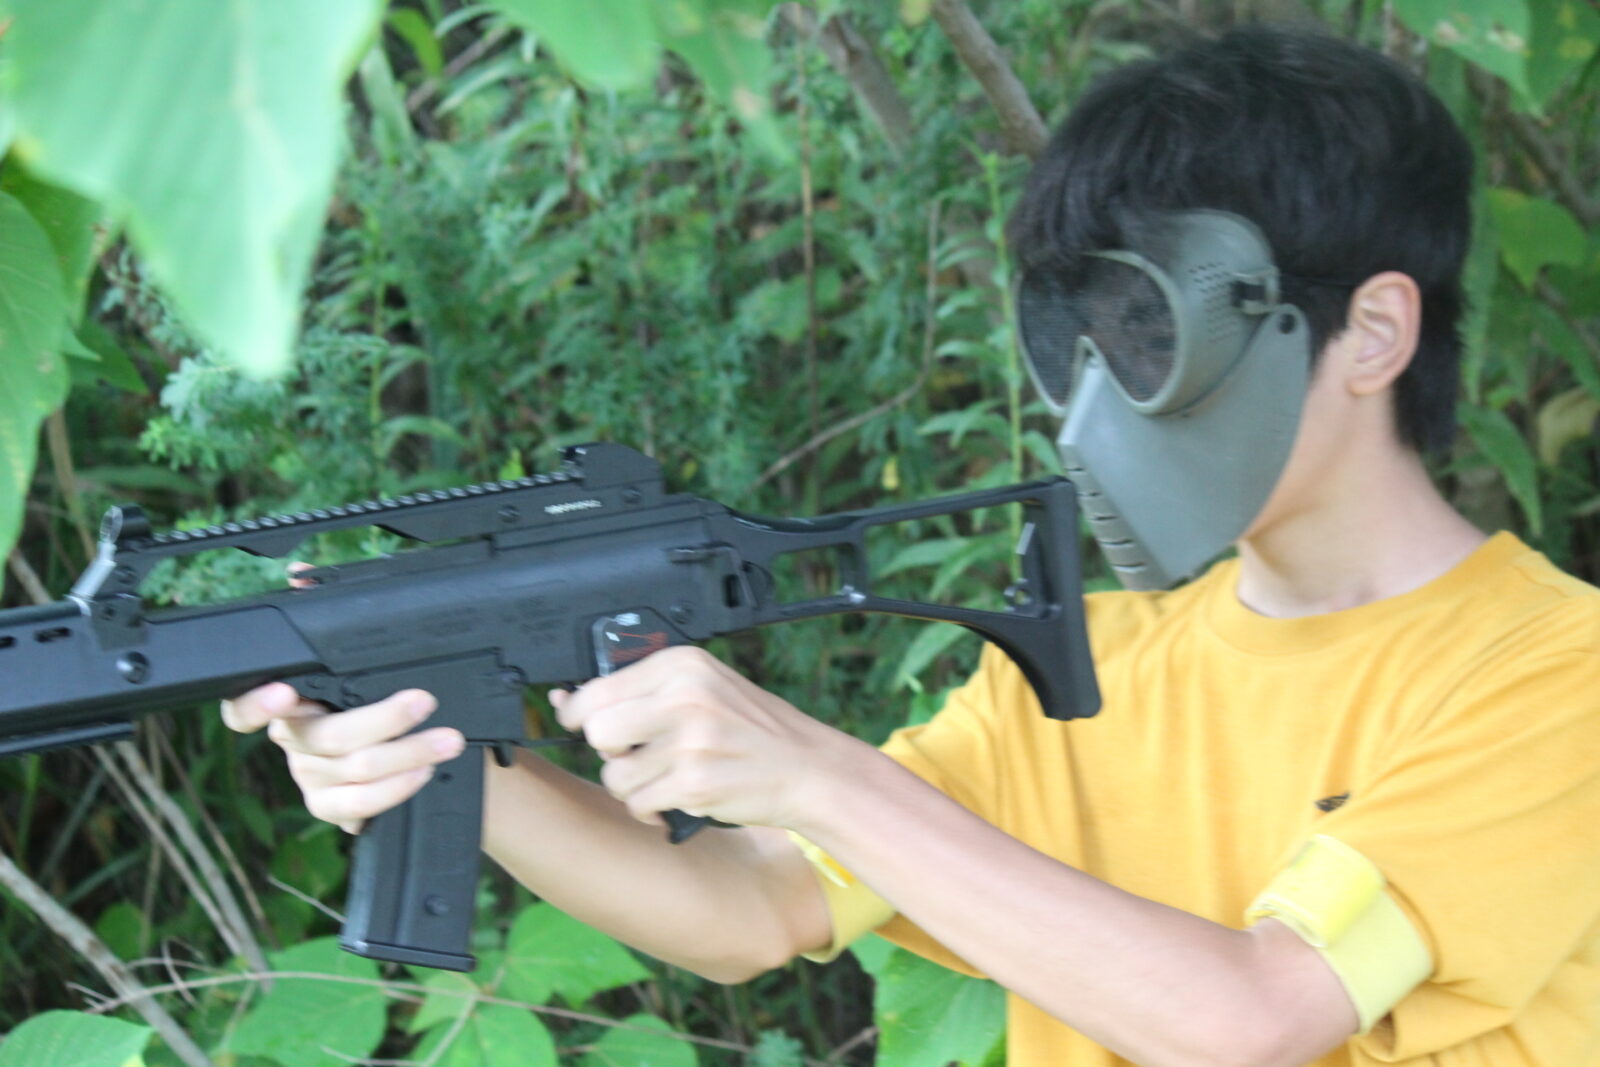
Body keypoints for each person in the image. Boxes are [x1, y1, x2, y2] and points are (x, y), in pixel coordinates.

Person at [222, 23, 1600, 1067]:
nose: (1105, 394)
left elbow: (1248, 1020)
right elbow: (746, 911)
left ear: (1373, 332)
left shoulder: (1556, 674)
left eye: (1154, 331)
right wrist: (439, 745)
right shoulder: (1098, 666)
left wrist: (816, 771)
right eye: (1086, 337)